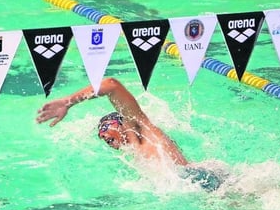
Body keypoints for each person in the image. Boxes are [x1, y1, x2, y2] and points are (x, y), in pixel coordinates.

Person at [36, 77, 222, 191]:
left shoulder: (139, 129)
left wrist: (68, 102)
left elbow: (111, 85)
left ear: (120, 122)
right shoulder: (133, 153)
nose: (102, 135)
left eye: (104, 127)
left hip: (200, 180)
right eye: (100, 134)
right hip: (194, 184)